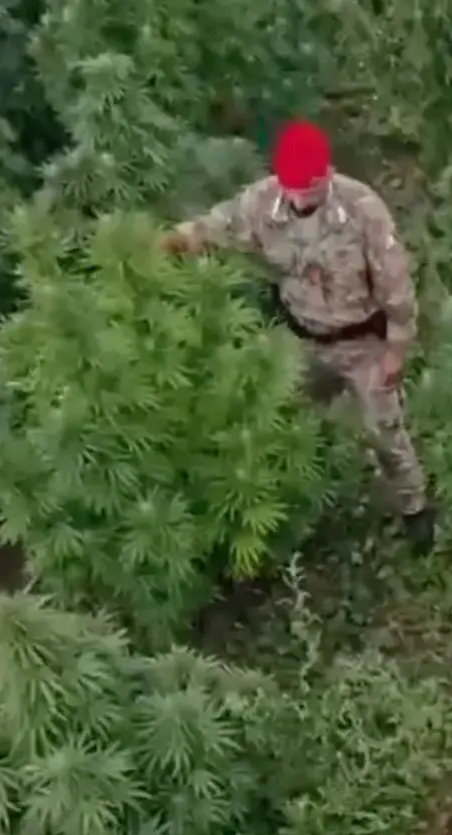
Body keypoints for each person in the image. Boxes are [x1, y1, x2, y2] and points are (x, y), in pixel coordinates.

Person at [160, 120, 436, 550]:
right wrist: (179, 239)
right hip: (304, 340)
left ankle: (414, 507)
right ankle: (291, 509)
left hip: (362, 342)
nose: (301, 196)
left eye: (310, 186)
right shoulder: (262, 202)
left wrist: (397, 349)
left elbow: (395, 284)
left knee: (384, 430)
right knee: (277, 415)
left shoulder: (361, 209)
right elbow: (218, 225)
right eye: (294, 186)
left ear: (326, 173)